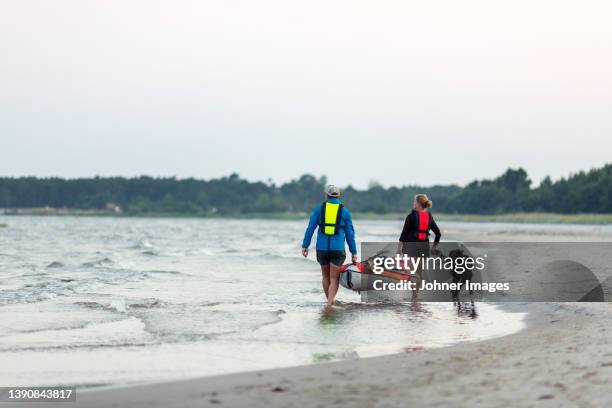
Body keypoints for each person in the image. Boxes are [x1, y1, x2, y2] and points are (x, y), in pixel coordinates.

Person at [301, 185, 357, 307]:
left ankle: (329, 303)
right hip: (337, 249)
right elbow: (350, 234)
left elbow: (310, 228)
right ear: (338, 195)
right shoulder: (345, 212)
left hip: (322, 249)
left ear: (326, 195)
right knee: (334, 278)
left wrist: (305, 245)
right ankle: (330, 303)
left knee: (325, 276)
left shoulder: (318, 210)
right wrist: (354, 252)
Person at [397, 194, 441, 299]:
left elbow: (403, 235)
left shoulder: (411, 217)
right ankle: (416, 296)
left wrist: (398, 249)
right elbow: (438, 234)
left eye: (414, 202)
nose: (413, 204)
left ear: (418, 204)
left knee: (410, 271)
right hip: (424, 247)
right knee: (418, 273)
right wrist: (434, 247)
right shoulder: (429, 217)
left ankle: (414, 295)